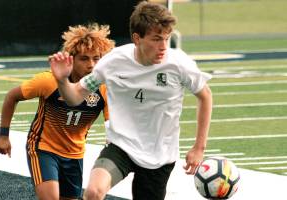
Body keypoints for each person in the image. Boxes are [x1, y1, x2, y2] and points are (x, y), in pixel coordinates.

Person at [50, 1, 213, 200]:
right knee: (93, 192)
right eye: (156, 39)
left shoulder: (179, 63)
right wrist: (62, 81)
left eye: (166, 38)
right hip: (121, 146)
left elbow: (205, 96)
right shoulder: (113, 61)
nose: (163, 46)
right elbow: (75, 97)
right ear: (137, 38)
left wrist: (199, 147)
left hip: (160, 155)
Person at [0, 23, 115, 200]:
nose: (91, 65)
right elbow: (12, 96)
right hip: (43, 148)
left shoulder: (104, 87)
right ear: (71, 59)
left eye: (96, 58)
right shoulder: (49, 81)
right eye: (84, 59)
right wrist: (3, 135)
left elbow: (112, 125)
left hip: (75, 154)